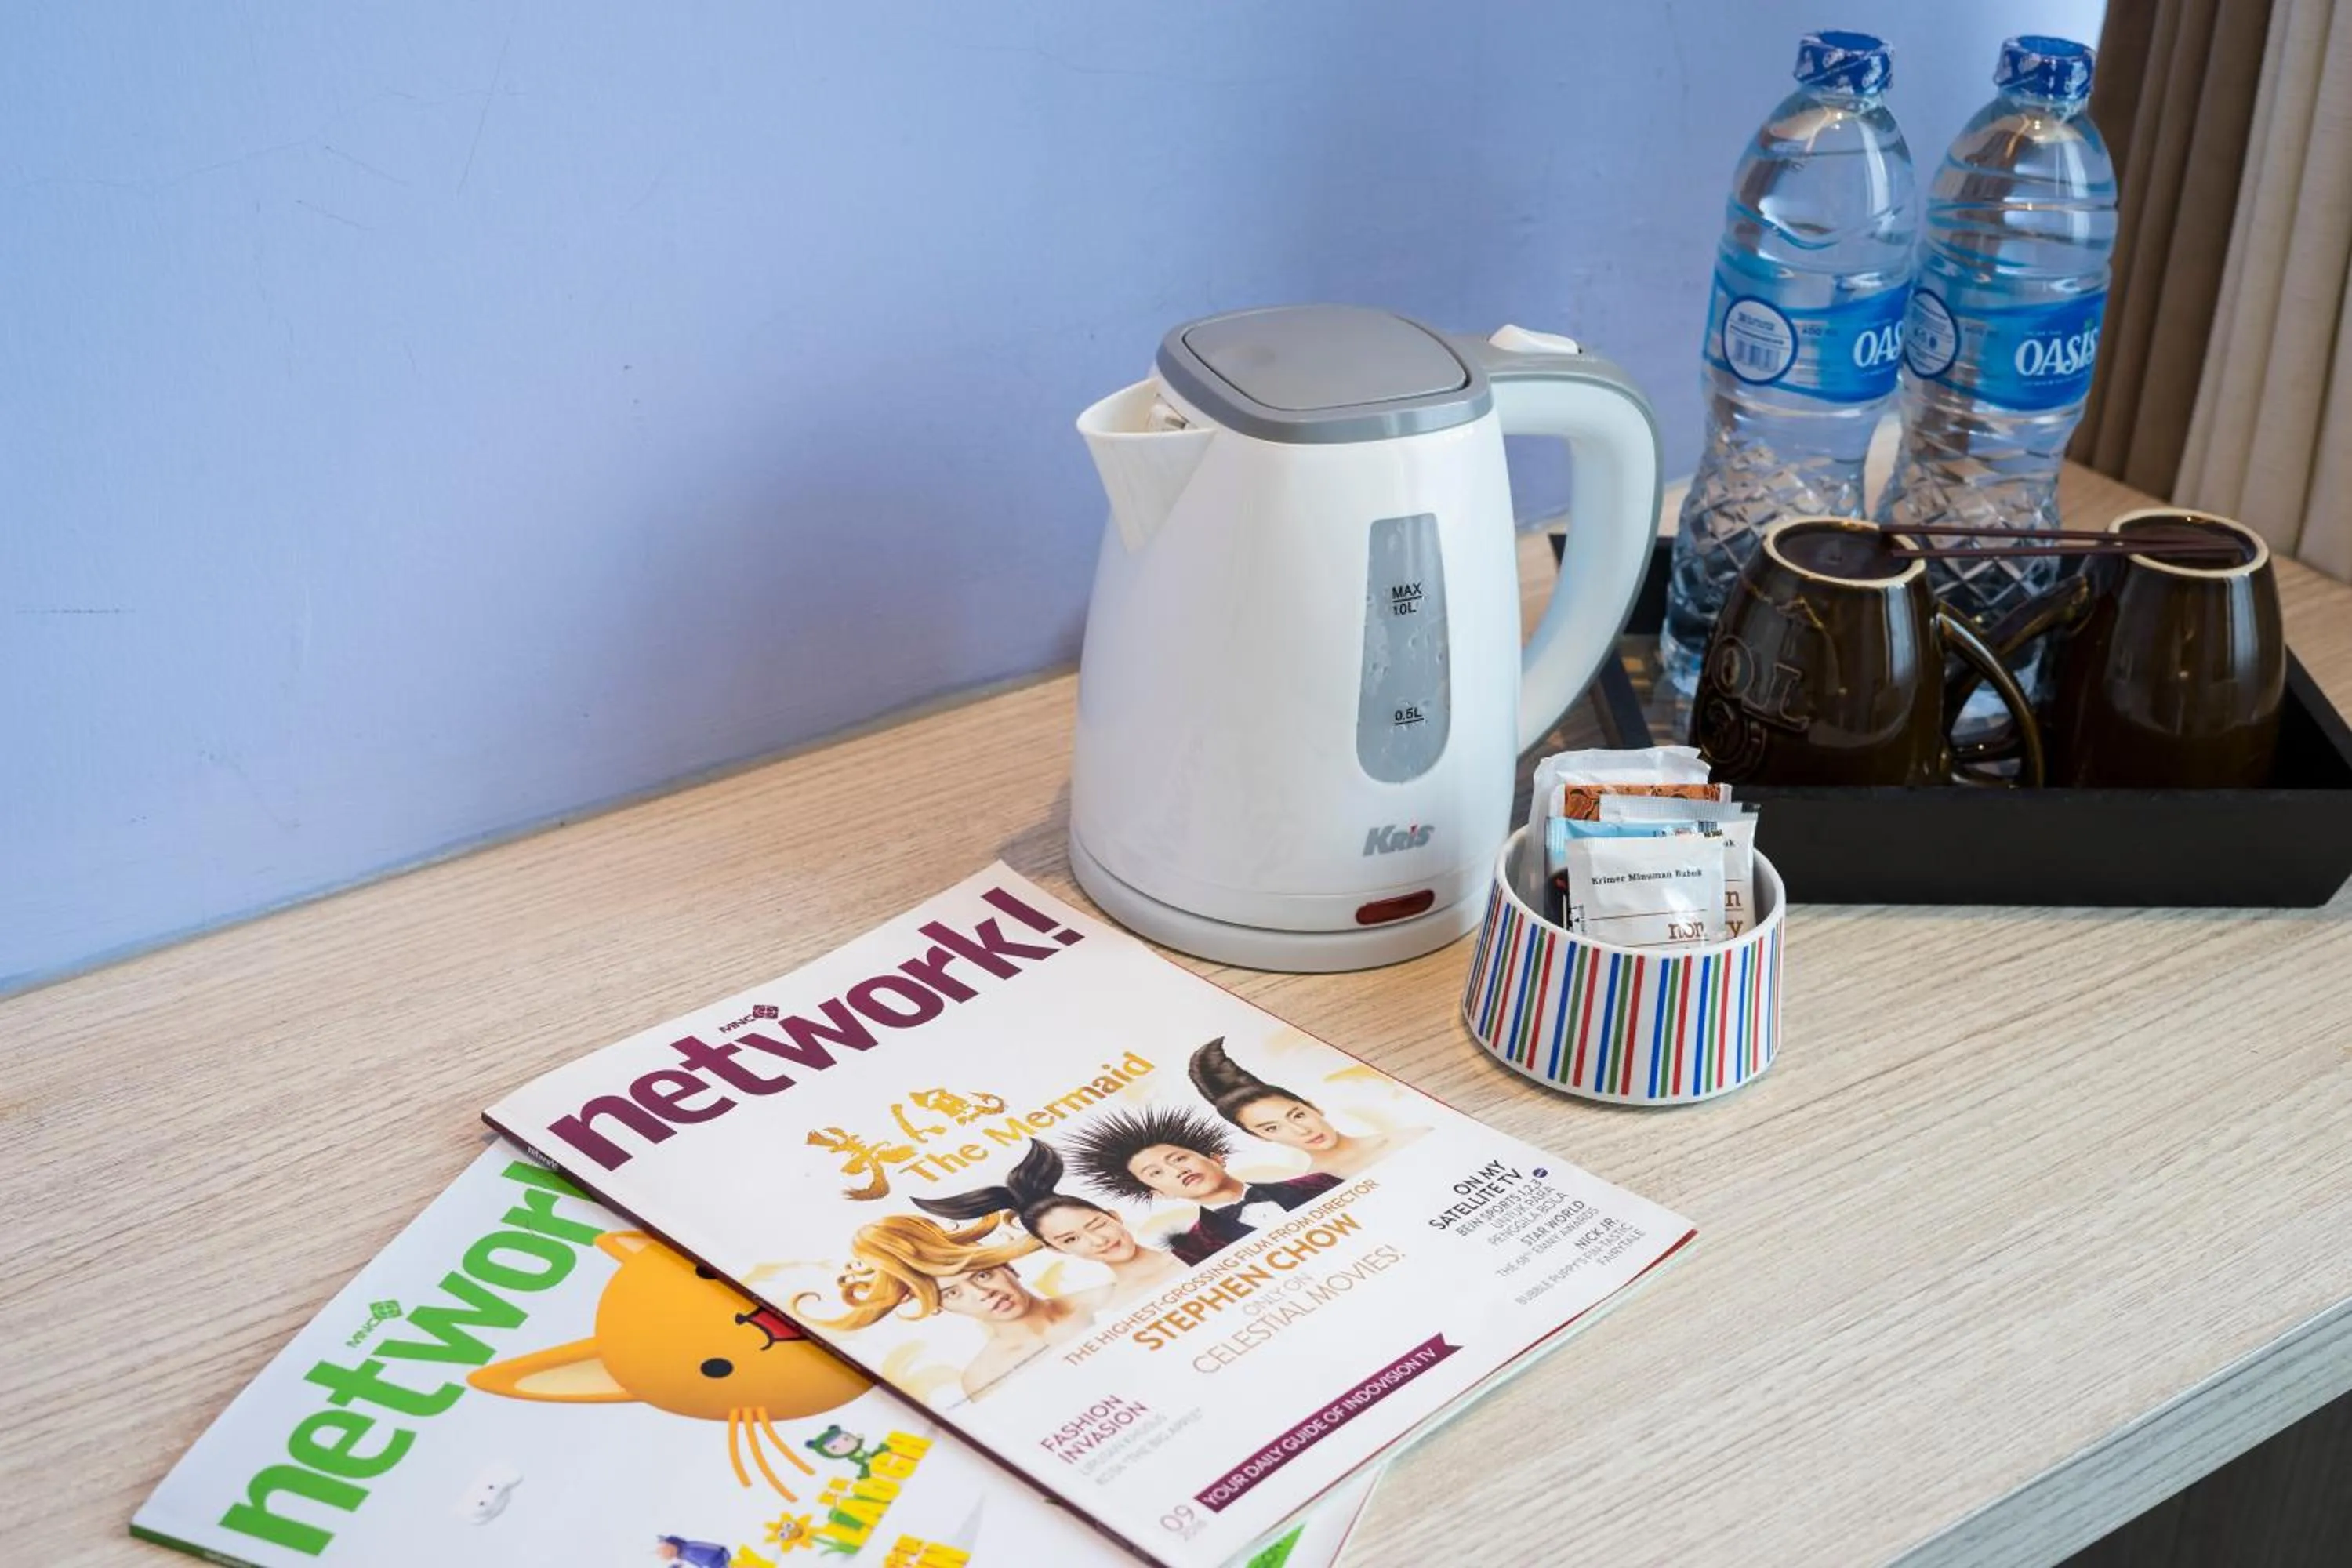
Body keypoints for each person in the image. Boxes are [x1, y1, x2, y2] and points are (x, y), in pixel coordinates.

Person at [794, 1214, 1096, 1400]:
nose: (982, 1294)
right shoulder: (986, 1375)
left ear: (1006, 1267)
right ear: (938, 1307)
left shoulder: (1101, 1301)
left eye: (982, 1274)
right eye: (952, 1293)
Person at [913, 1138, 1184, 1305]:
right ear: (1055, 1249)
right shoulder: (1117, 1305)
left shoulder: (1203, 1243)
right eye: (1071, 1239)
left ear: (1114, 1217)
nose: (1099, 1240)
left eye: (1097, 1225)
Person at [1066, 1105, 1339, 1265]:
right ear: (1160, 1193)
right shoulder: (1192, 1252)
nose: (1177, 1170)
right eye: (1157, 1173)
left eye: (1179, 1158)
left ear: (1215, 1157)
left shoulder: (1319, 1183)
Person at [1188, 1036, 1428, 1181]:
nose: (1300, 1130)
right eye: (1272, 1128)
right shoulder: (1316, 1188)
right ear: (1258, 1136)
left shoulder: (1412, 1137)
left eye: (1297, 1115)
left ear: (1313, 1107)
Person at [654, 1536, 731, 1568]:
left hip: (720, 1560)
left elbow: (720, 1551)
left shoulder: (688, 1548)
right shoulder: (683, 1555)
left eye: (664, 1549)